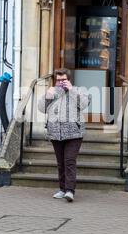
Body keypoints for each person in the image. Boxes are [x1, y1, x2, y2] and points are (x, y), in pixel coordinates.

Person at [38, 68, 89, 202]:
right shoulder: (52, 92)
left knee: (69, 161)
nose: (61, 82)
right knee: (60, 163)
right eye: (58, 80)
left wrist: (71, 90)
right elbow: (41, 108)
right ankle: (62, 189)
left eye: (63, 80)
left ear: (69, 79)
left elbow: (84, 104)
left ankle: (70, 191)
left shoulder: (78, 90)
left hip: (74, 132)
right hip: (55, 132)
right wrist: (47, 96)